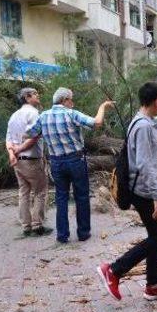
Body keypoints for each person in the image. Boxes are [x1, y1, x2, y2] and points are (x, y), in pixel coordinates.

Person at [97, 83, 157, 301]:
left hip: (139, 188)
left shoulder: (139, 120)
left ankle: (154, 284)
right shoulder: (144, 126)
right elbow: (145, 165)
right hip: (144, 191)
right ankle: (114, 270)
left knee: (156, 236)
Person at [24, 88, 114, 244]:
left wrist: (46, 134)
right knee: (81, 196)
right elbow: (97, 122)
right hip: (75, 161)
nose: (72, 102)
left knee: (61, 198)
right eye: (71, 99)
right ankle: (83, 233)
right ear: (64, 100)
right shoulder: (71, 114)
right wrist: (103, 106)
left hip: (56, 163)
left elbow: (28, 134)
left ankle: (62, 235)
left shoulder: (43, 116)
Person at [5, 88, 50, 237]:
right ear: (27, 97)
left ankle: (26, 226)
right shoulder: (34, 113)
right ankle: (37, 225)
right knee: (40, 191)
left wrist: (12, 153)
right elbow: (35, 136)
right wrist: (18, 150)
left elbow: (8, 139)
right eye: (35, 94)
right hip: (32, 159)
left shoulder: (13, 115)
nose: (38, 96)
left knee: (23, 192)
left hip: (18, 162)